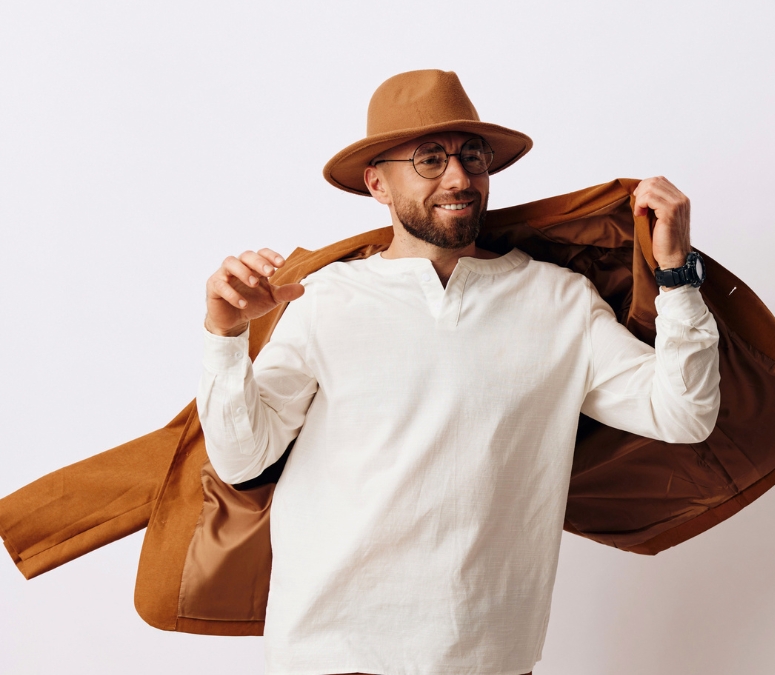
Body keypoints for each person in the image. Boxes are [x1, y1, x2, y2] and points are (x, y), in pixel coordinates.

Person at [196, 69, 720, 675]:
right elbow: (241, 459)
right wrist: (226, 336)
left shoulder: (558, 302)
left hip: (487, 656)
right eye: (430, 159)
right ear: (378, 183)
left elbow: (683, 414)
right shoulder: (324, 299)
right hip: (328, 651)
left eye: (473, 156)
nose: (459, 177)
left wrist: (676, 275)